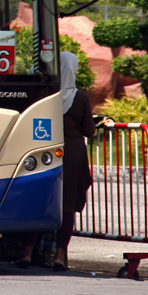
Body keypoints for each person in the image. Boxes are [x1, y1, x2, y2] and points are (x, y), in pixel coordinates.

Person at [53, 51, 95, 271]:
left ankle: (27, 253)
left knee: (42, 201)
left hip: (46, 151)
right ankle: (60, 255)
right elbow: (89, 130)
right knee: (67, 206)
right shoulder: (80, 98)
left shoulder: (47, 95)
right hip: (73, 155)